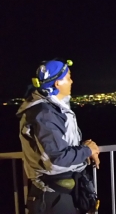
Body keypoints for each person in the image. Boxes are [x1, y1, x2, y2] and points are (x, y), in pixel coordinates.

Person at [17, 59, 100, 214]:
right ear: (57, 84)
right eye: (68, 77)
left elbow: (58, 145)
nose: (72, 81)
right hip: (52, 197)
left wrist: (85, 148)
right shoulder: (45, 114)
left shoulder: (50, 109)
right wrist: (86, 151)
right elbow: (57, 158)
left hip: (60, 194)